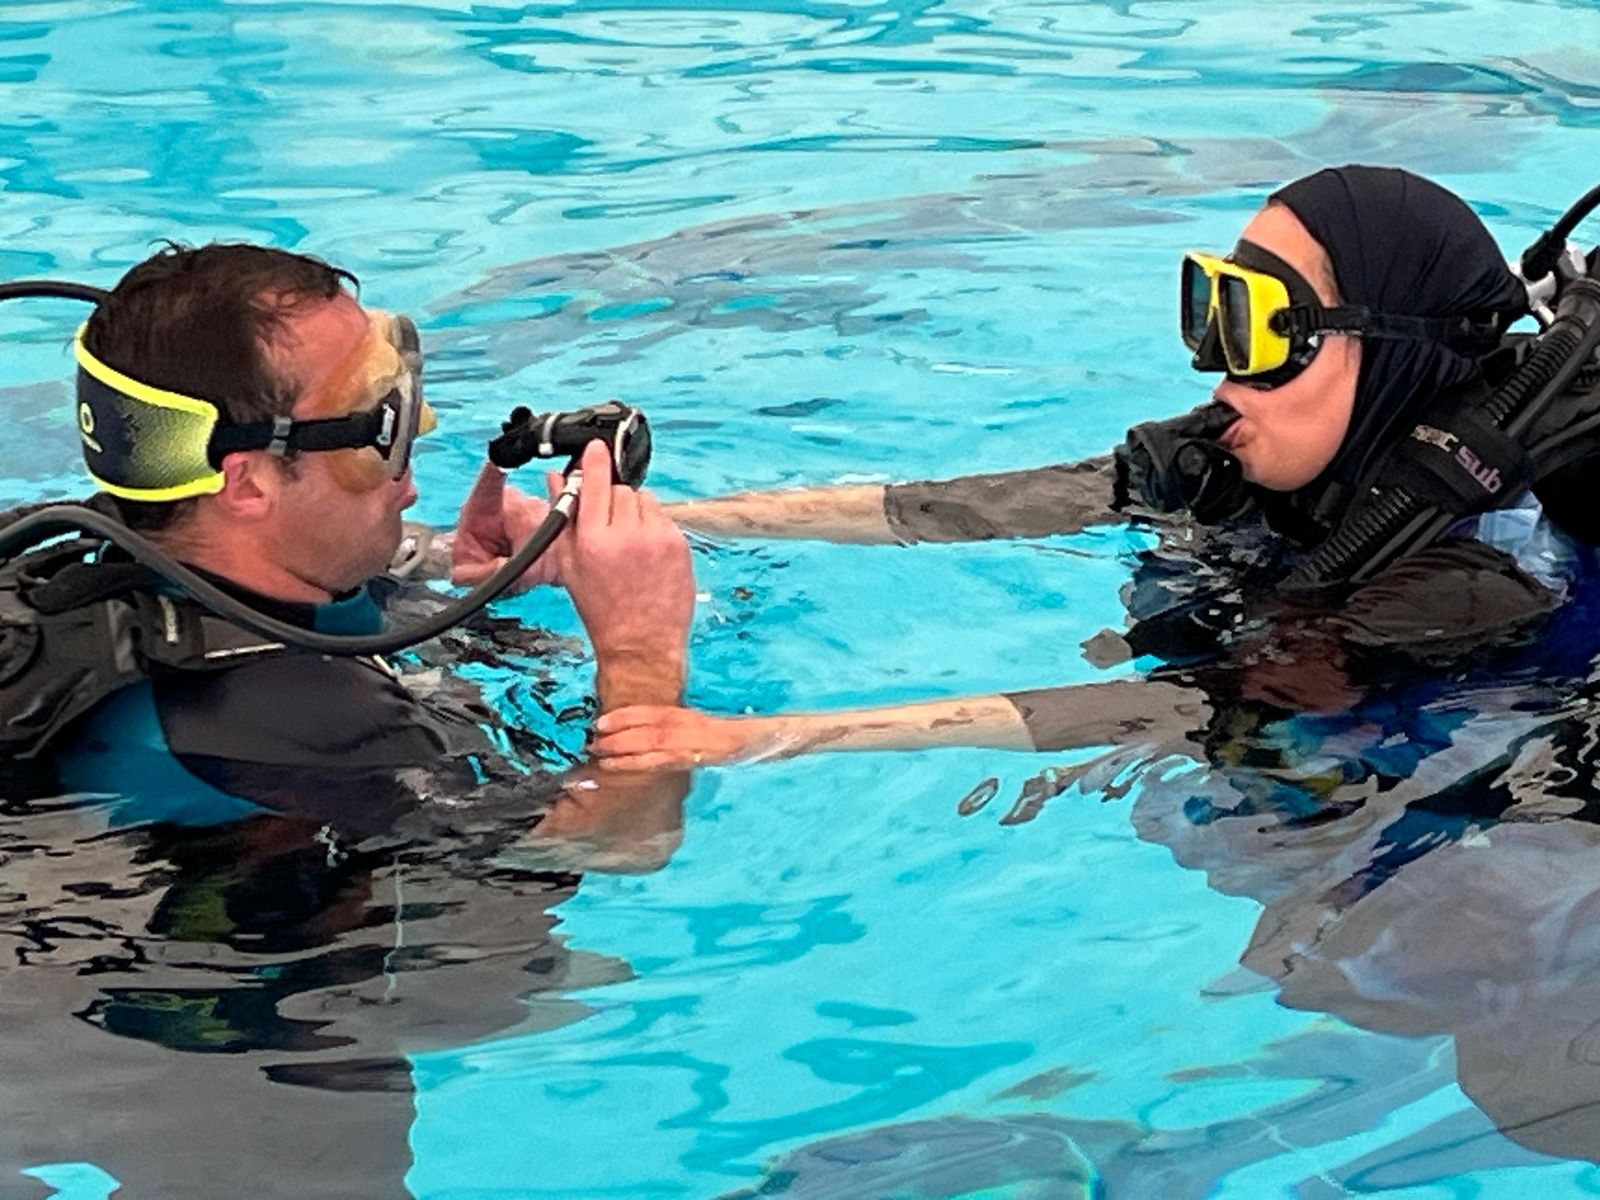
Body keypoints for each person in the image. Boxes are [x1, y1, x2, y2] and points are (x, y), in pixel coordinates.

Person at [0, 242, 696, 1195]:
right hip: (119, 1046)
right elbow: (624, 839)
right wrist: (643, 649)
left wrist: (471, 598)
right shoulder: (280, 713)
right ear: (245, 484)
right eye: (378, 431)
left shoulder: (62, 558)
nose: (409, 470)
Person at [586, 164, 1600, 770]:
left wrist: (752, 737)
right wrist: (663, 520)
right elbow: (965, 510)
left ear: (1388, 357)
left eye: (1255, 330)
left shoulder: (1475, 584)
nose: (1215, 370)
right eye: (1212, 310)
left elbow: (1187, 705)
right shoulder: (1272, 452)